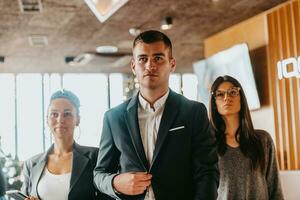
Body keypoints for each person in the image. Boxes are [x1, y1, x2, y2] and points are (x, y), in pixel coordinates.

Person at [94, 30, 219, 200]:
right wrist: (115, 182)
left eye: (158, 58)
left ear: (172, 64)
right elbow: (100, 174)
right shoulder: (113, 117)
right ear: (133, 66)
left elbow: (207, 172)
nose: (150, 66)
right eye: (143, 59)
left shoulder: (193, 112)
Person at [21, 89, 109, 200]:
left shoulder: (96, 157)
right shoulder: (31, 164)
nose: (60, 119)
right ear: (47, 120)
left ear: (78, 120)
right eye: (54, 114)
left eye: (67, 114)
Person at [209, 75, 284, 200]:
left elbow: (275, 189)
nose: (227, 98)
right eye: (220, 94)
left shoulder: (263, 140)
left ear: (241, 98)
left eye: (233, 92)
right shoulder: (208, 143)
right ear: (214, 102)